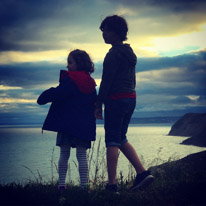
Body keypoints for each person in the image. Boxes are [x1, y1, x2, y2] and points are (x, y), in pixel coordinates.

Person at [95, 15, 154, 192]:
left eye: (105, 30)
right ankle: (142, 173)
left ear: (115, 32)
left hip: (116, 99)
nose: (103, 34)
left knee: (112, 140)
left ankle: (111, 185)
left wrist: (98, 104)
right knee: (120, 138)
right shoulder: (129, 53)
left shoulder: (113, 54)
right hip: (130, 98)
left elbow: (107, 81)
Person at [37, 49, 97, 190]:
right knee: (82, 156)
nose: (67, 66)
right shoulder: (91, 83)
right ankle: (84, 187)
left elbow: (58, 93)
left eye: (70, 62)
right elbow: (94, 102)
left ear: (79, 64)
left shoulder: (69, 80)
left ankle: (62, 185)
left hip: (67, 125)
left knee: (64, 154)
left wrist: (44, 96)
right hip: (83, 126)